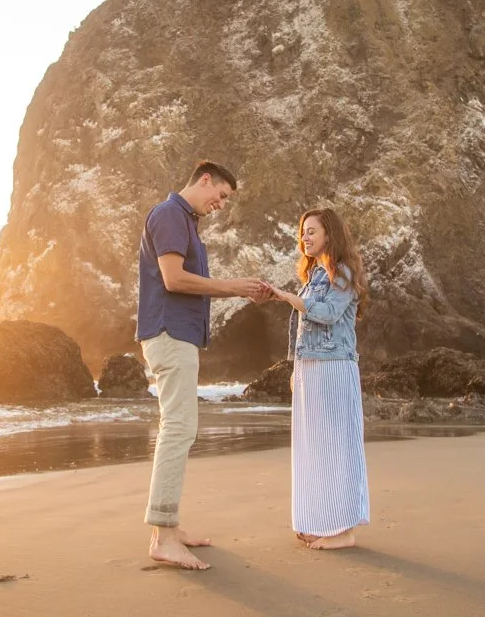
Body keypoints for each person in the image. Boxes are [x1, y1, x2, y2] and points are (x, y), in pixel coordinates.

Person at [137, 160, 268, 570]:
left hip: (178, 336)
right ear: (205, 179)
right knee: (178, 429)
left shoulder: (185, 222)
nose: (222, 204)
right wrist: (233, 288)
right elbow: (173, 279)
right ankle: (162, 535)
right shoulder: (170, 214)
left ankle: (170, 529)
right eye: (222, 195)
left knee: (180, 429)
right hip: (169, 334)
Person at [267, 207, 370, 550]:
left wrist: (285, 297)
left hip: (334, 368)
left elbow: (327, 314)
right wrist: (296, 369)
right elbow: (302, 332)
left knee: (336, 446)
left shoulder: (342, 271)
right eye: (302, 232)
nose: (304, 238)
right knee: (313, 448)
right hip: (311, 368)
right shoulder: (314, 276)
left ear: (329, 234)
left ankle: (344, 530)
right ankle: (321, 521)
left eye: (311, 231)